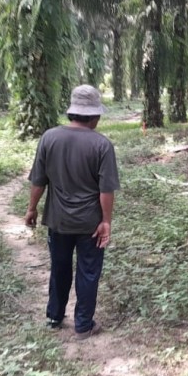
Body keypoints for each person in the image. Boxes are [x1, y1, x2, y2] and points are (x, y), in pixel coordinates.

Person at [25, 85, 120, 338]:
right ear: (95, 115)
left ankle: (55, 316)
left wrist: (31, 209)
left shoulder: (49, 137)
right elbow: (106, 190)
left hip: (58, 221)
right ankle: (83, 324)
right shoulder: (102, 145)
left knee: (59, 267)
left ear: (73, 112)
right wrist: (106, 222)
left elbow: (38, 180)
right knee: (88, 272)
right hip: (90, 224)